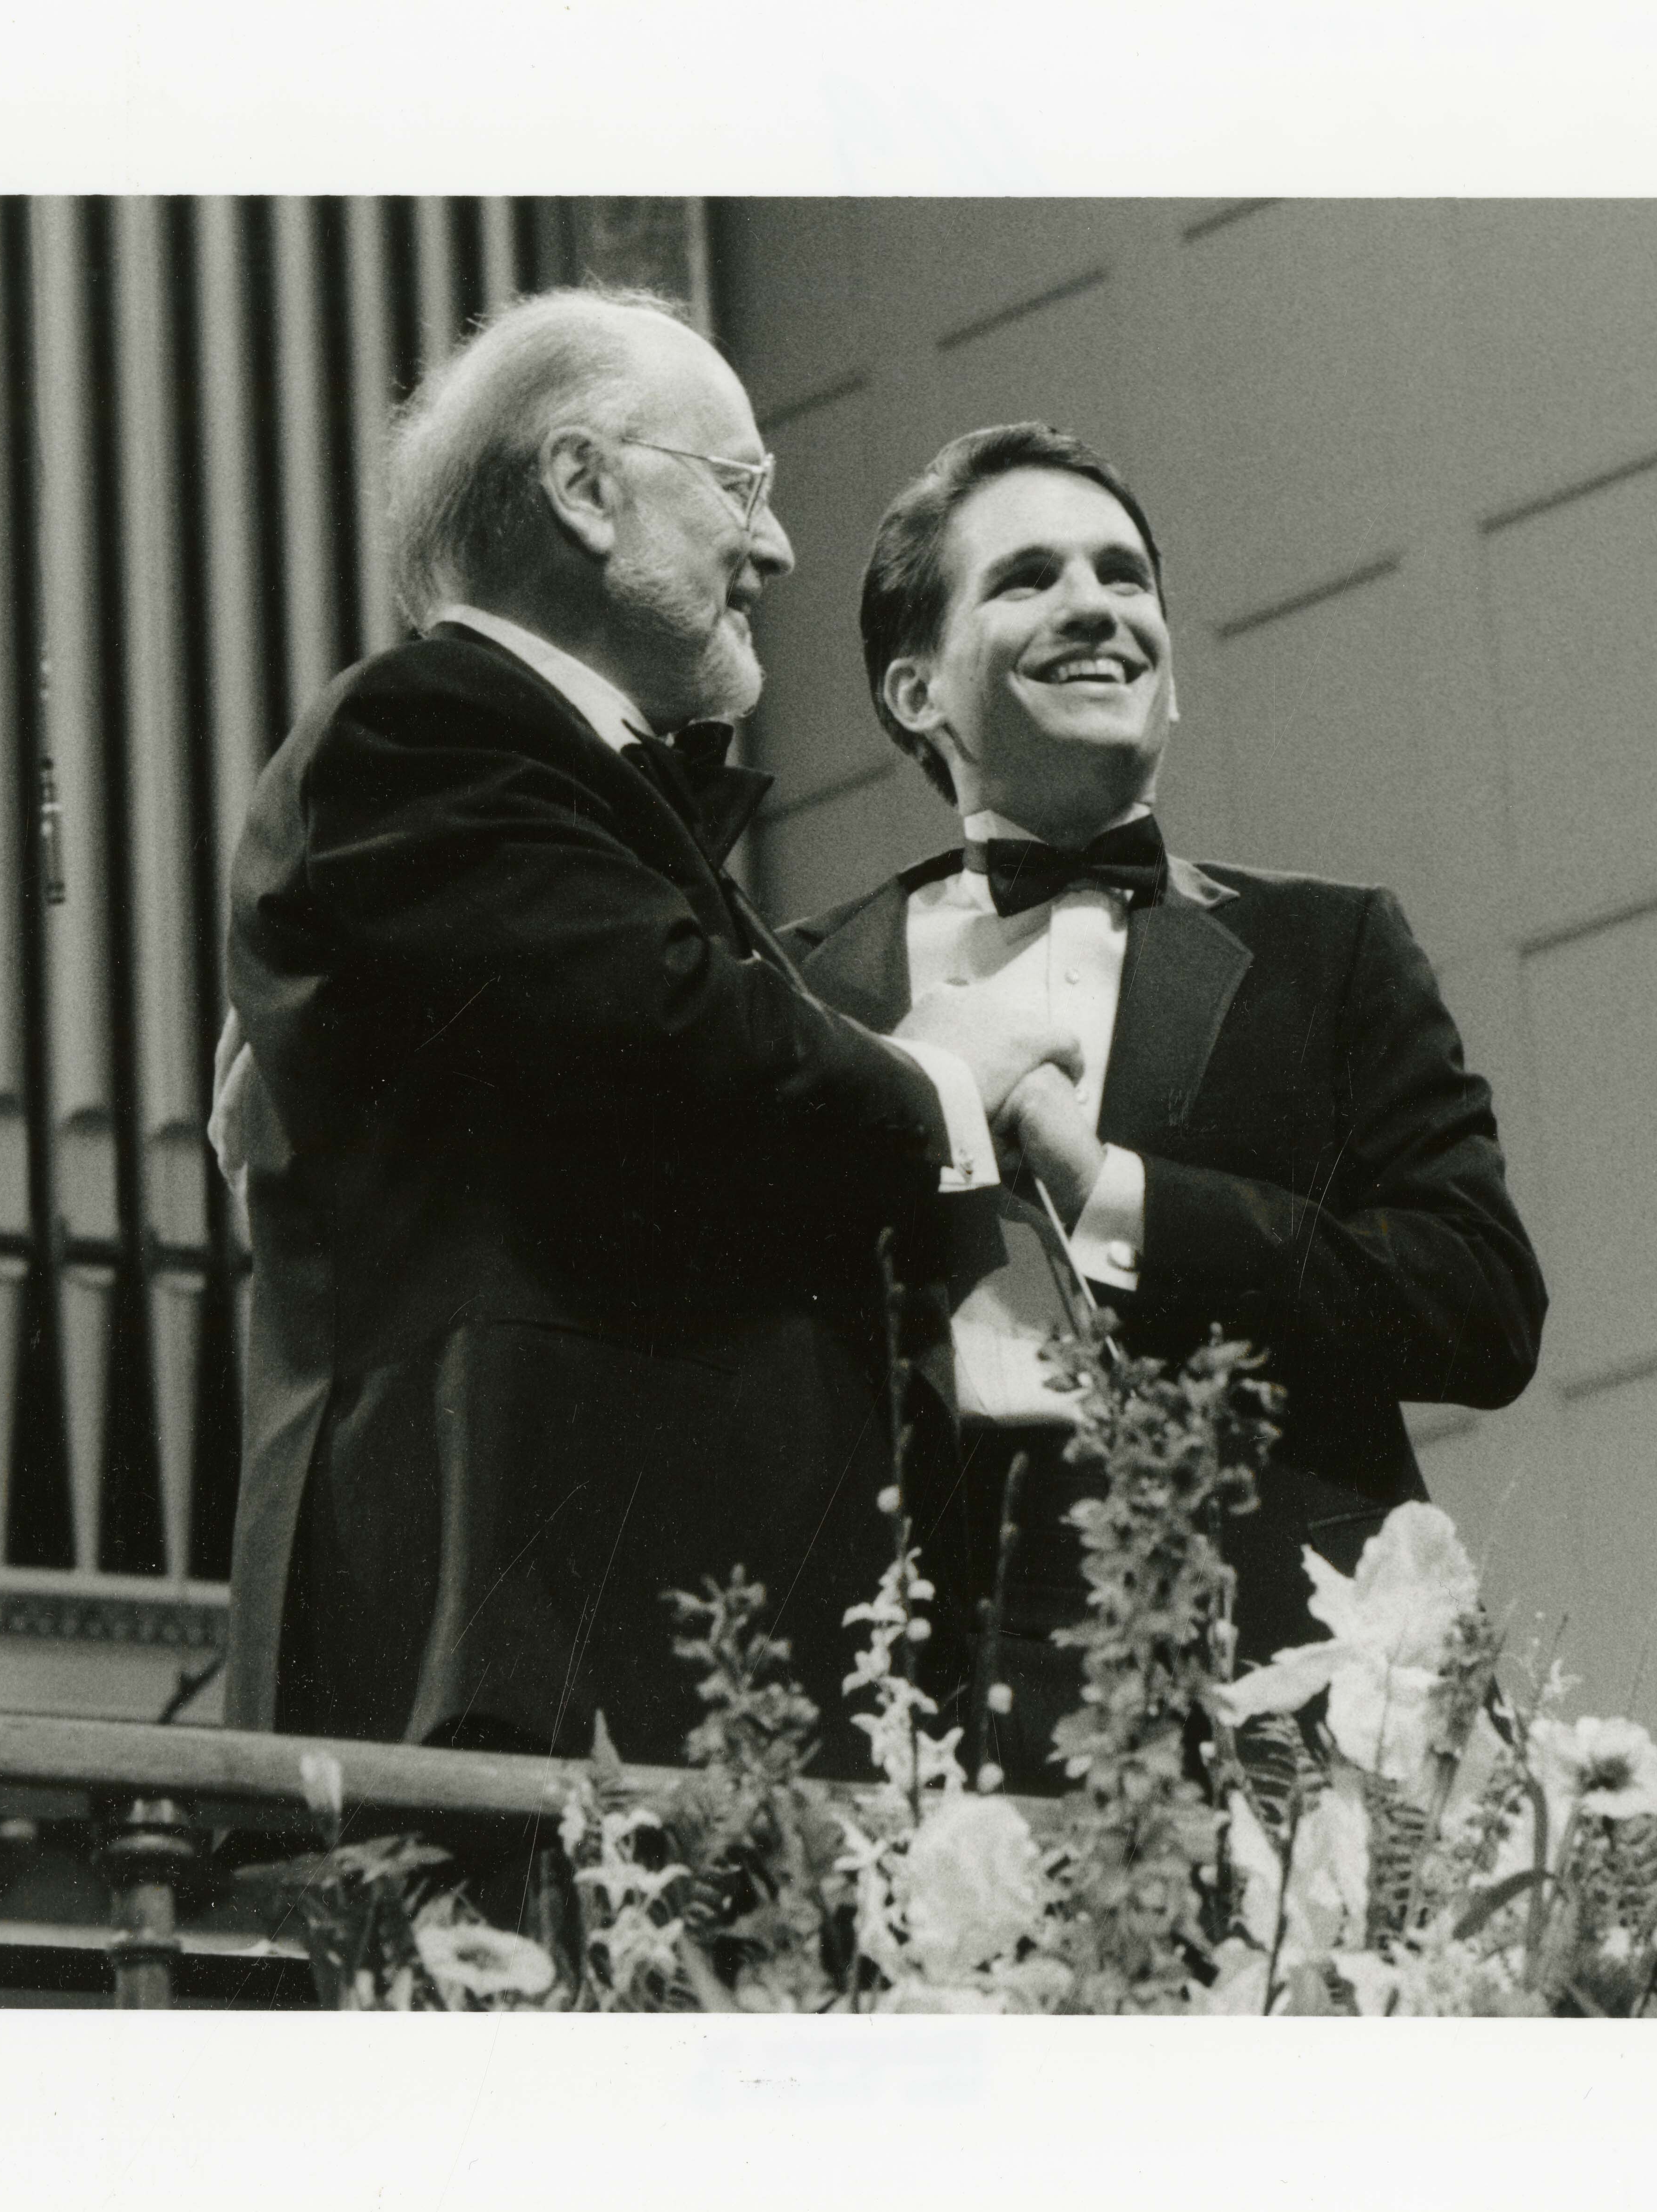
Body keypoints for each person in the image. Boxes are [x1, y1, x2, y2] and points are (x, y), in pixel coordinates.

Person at [215, 294, 1081, 1773]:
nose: (781, 547)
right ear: (583, 488)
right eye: (741, 488)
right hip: (532, 1661)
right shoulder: (421, 733)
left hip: (646, 1665)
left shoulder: (526, 780)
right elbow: (674, 1046)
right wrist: (948, 1081)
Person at [783, 423, 1548, 1784]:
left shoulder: (1333, 949)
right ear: (913, 690)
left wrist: (1116, 1198)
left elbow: (1481, 1301)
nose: (1098, 605)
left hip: (1289, 1698)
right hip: (907, 1697)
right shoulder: (792, 991)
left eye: (1126, 576)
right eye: (1028, 577)